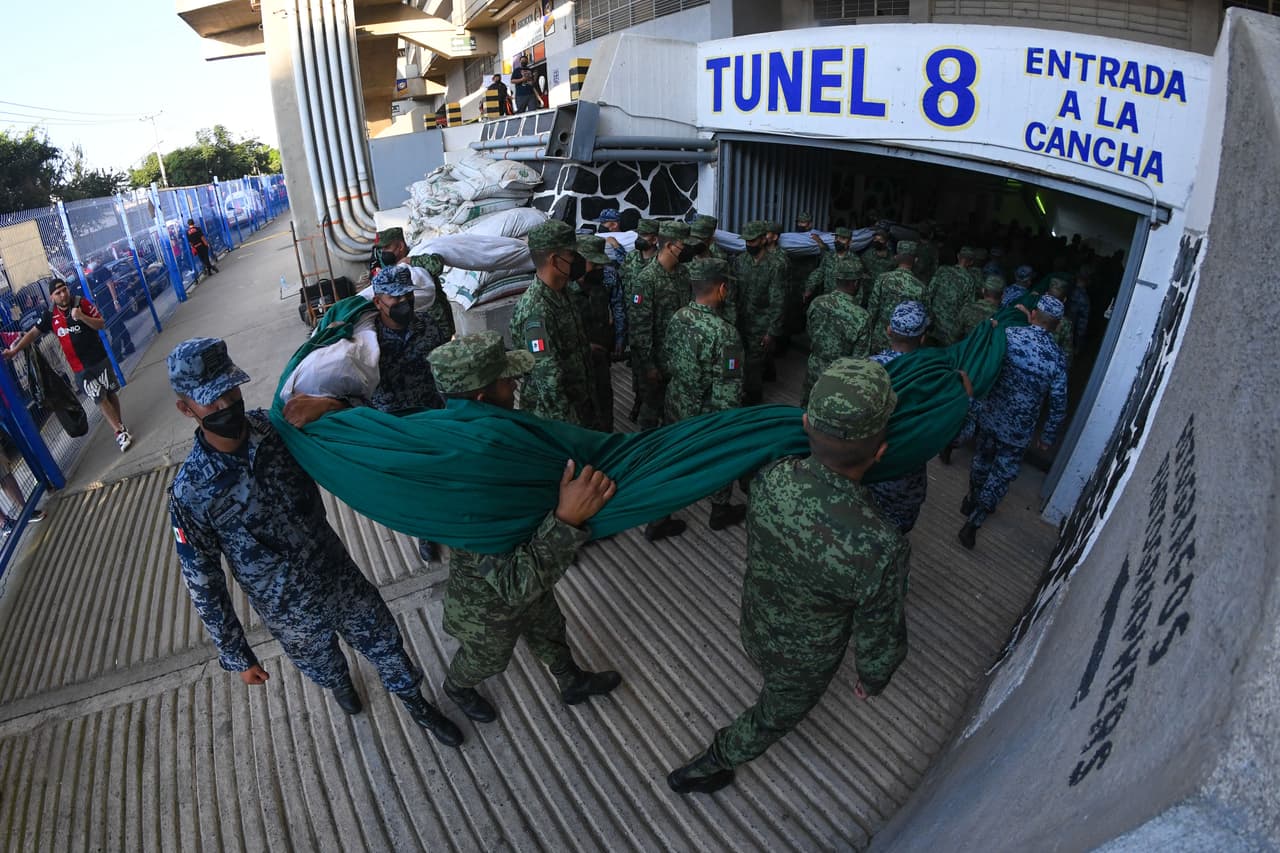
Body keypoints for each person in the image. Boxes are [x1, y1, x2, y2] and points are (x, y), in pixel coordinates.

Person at [165, 337, 464, 747]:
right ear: (186, 409)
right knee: (322, 665)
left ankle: (415, 703)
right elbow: (203, 581)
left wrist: (329, 406)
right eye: (210, 401)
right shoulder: (190, 493)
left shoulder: (277, 429)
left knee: (386, 644)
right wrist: (237, 654)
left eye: (229, 391)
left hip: (338, 576)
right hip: (289, 612)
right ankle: (340, 683)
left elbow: (361, 434)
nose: (225, 406)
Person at [666, 358, 910, 795]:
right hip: (804, 661)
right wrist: (872, 678)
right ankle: (715, 760)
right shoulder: (879, 547)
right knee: (774, 714)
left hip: (754, 622)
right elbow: (880, 635)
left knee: (765, 666)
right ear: (880, 452)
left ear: (805, 422)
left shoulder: (772, 478)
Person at [426, 331, 623, 724]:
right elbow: (515, 584)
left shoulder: (495, 438)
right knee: (486, 659)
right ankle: (457, 688)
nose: (514, 383)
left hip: (530, 567)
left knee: (551, 628)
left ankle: (571, 680)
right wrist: (567, 520)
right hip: (488, 605)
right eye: (504, 379)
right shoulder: (470, 476)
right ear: (482, 398)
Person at [282, 265, 448, 561]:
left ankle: (444, 521)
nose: (403, 304)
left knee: (441, 474)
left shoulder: (429, 326)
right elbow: (346, 388)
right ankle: (426, 530)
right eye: (394, 300)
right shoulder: (362, 346)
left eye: (407, 297)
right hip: (390, 424)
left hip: (431, 413)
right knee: (410, 485)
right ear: (377, 303)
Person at [959, 295, 1069, 549]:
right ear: (1058, 325)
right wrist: (1048, 435)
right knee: (1002, 474)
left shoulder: (1008, 336)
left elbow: (986, 366)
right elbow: (1058, 402)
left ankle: (971, 498)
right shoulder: (1057, 358)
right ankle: (975, 522)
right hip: (1018, 429)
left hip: (990, 414)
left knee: (981, 460)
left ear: (1032, 315)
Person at [659, 258, 747, 532]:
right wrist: (728, 428)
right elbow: (728, 392)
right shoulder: (725, 334)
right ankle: (719, 510)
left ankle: (659, 516)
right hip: (705, 413)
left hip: (676, 402)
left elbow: (667, 359)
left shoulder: (678, 317)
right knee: (720, 456)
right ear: (722, 289)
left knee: (673, 457)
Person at [3, 278, 133, 452]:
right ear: (51, 297)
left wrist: (81, 317)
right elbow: (33, 333)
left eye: (64, 290)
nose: (63, 295)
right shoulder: (50, 315)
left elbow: (101, 324)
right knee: (99, 398)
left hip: (98, 360)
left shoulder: (81, 303)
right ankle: (118, 431)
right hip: (79, 368)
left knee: (109, 393)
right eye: (58, 293)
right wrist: (14, 351)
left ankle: (119, 425)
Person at [510, 220, 598, 427]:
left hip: (581, 404)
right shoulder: (536, 310)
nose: (579, 261)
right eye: (572, 255)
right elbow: (548, 381)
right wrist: (571, 433)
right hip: (556, 419)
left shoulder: (564, 292)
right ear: (554, 259)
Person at [867, 301, 943, 535]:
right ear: (922, 339)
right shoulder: (935, 379)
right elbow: (956, 433)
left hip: (863, 469)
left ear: (889, 330)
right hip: (903, 483)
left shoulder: (866, 369)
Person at [629, 221, 693, 432]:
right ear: (669, 246)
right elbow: (640, 328)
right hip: (655, 362)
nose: (687, 251)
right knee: (650, 413)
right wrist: (648, 366)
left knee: (674, 412)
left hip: (679, 358)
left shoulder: (683, 274)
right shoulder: (647, 279)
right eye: (683, 246)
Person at [804, 256, 871, 405]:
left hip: (814, 367)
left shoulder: (817, 303)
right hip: (839, 377)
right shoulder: (862, 317)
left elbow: (809, 332)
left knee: (805, 409)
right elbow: (859, 359)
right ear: (855, 283)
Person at [730, 221, 784, 405]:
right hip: (741, 320)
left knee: (753, 365)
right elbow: (734, 291)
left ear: (763, 240)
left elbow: (778, 301)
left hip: (761, 323)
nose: (749, 245)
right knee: (741, 359)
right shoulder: (741, 260)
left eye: (752, 241)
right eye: (746, 241)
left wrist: (772, 332)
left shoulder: (775, 265)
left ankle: (753, 399)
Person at [569, 235, 617, 432]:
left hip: (601, 366)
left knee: (605, 412)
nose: (599, 270)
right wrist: (585, 348)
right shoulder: (565, 294)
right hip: (577, 373)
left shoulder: (598, 289)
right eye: (594, 265)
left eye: (601, 266)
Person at [374, 227, 454, 340]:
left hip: (437, 320)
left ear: (400, 246)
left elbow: (436, 264)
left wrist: (410, 261)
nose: (384, 253)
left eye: (387, 247)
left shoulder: (418, 254)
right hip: (413, 327)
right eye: (381, 249)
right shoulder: (389, 268)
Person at [622, 219, 660, 422]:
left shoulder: (659, 264)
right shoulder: (630, 259)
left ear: (654, 239)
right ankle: (638, 399)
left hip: (651, 325)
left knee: (651, 370)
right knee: (637, 369)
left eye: (643, 236)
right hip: (633, 324)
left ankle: (649, 406)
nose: (639, 239)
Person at [866, 240, 928, 353]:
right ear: (916, 260)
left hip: (879, 338)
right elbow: (924, 319)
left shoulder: (882, 279)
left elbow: (872, 310)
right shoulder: (921, 288)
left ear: (896, 257)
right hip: (906, 345)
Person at [927, 246, 979, 345]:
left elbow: (929, 292)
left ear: (958, 256)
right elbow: (967, 307)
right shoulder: (970, 281)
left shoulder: (942, 270)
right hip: (950, 331)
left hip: (933, 324)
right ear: (971, 262)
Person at [803, 227, 864, 305]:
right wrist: (809, 288)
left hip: (845, 304)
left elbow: (859, 286)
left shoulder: (855, 260)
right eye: (836, 238)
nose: (838, 241)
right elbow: (819, 272)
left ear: (850, 242)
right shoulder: (829, 256)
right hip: (827, 300)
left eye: (842, 239)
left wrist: (855, 305)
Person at [955, 274, 1006, 339]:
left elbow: (955, 335)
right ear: (1003, 296)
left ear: (983, 290)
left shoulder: (967, 308)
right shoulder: (1003, 316)